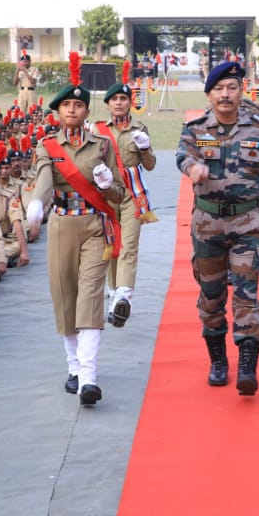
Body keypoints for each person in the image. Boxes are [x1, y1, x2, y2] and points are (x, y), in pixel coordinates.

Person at [175, 60, 259, 395]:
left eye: (232, 87)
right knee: (211, 298)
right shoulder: (196, 129)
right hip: (207, 226)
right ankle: (217, 361)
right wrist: (194, 167)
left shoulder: (257, 129)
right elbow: (182, 156)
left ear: (242, 91)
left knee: (246, 295)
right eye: (219, 89)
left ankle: (246, 367)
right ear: (209, 94)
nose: (225, 94)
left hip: (247, 225)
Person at [26, 55, 126, 406]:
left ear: (86, 112)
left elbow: (119, 193)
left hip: (94, 226)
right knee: (65, 297)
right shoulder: (47, 146)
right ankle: (73, 367)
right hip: (62, 225)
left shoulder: (103, 145)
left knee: (90, 298)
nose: (72, 110)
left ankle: (88, 378)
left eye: (79, 105)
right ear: (57, 112)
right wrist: (37, 205)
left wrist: (106, 181)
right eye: (66, 105)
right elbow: (42, 181)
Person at [94, 65, 158, 327]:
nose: (119, 103)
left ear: (130, 103)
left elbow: (151, 165)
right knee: (111, 247)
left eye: (123, 99)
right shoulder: (97, 130)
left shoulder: (139, 128)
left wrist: (144, 148)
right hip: (107, 195)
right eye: (114, 100)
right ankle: (114, 294)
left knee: (129, 246)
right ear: (108, 104)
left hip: (132, 195)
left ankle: (124, 296)